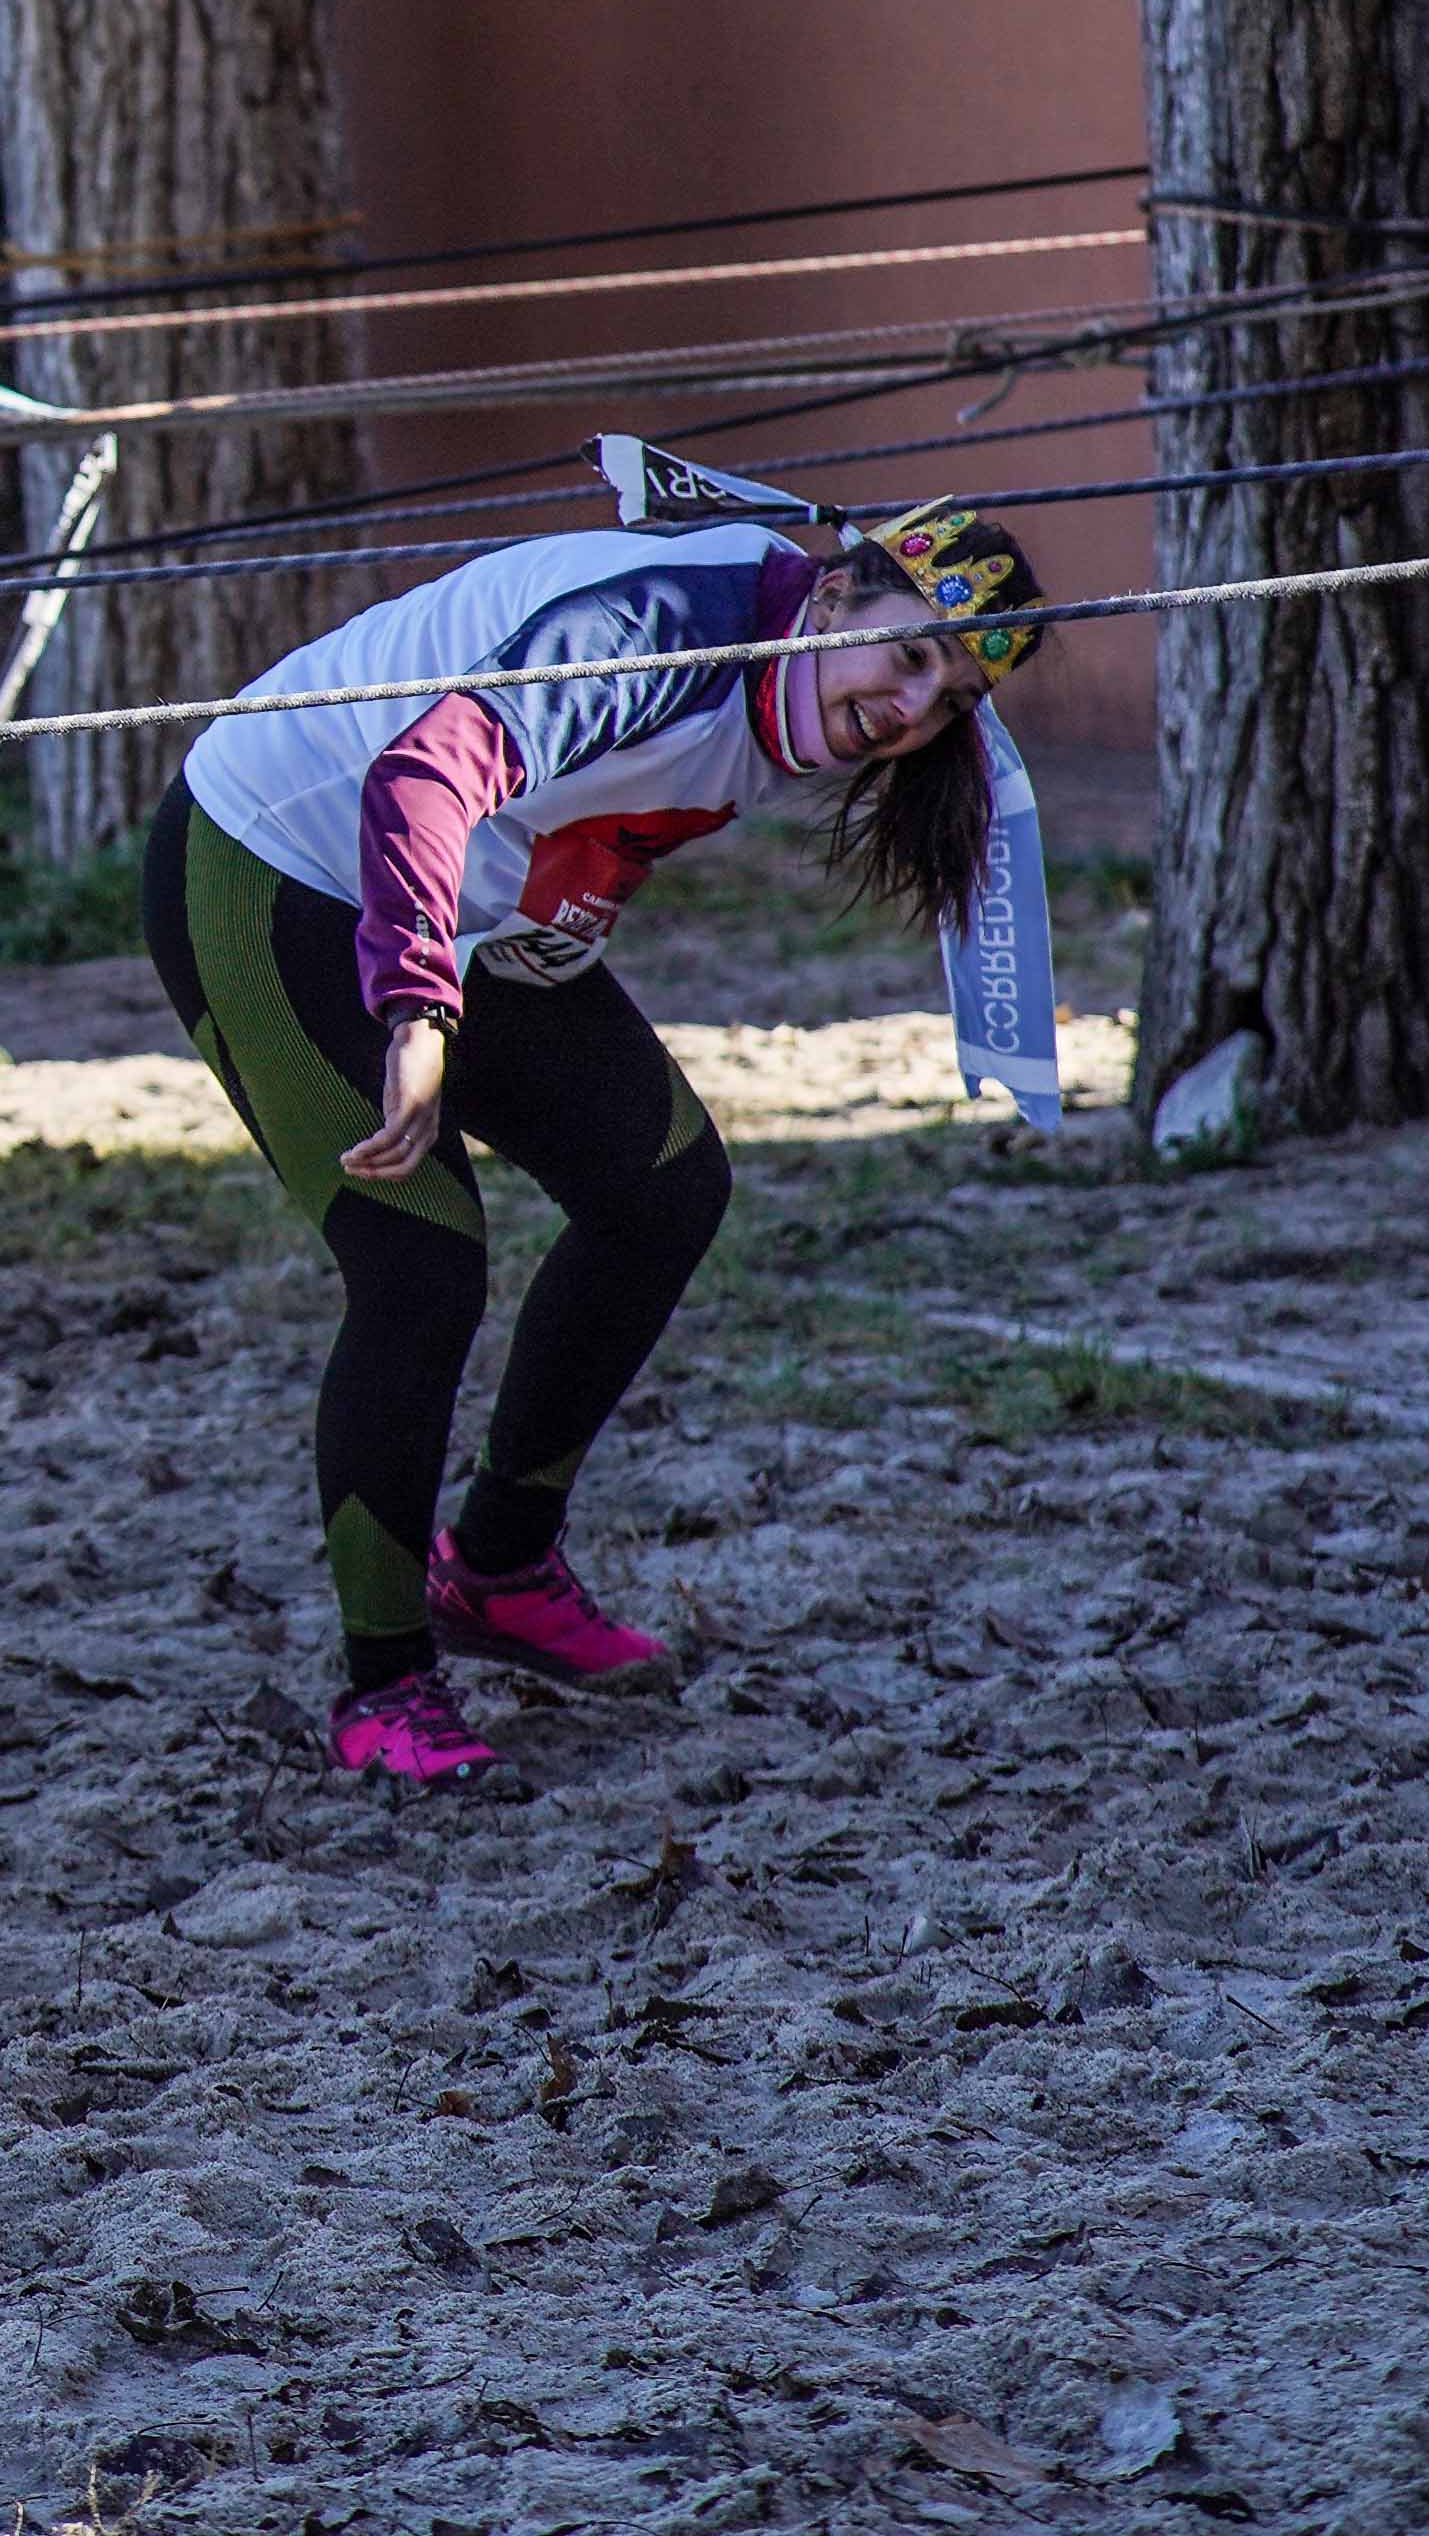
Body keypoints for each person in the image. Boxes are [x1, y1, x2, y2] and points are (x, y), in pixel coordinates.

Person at [149, 496, 1049, 1793]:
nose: (912, 713)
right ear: (844, 593)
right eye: (911, 657)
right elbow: (428, 764)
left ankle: (500, 1567)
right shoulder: (667, 632)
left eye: (953, 699)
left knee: (663, 1188)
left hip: (472, 894)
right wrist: (414, 1010)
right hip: (273, 865)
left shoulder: (795, 660)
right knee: (420, 1262)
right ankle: (386, 1682)